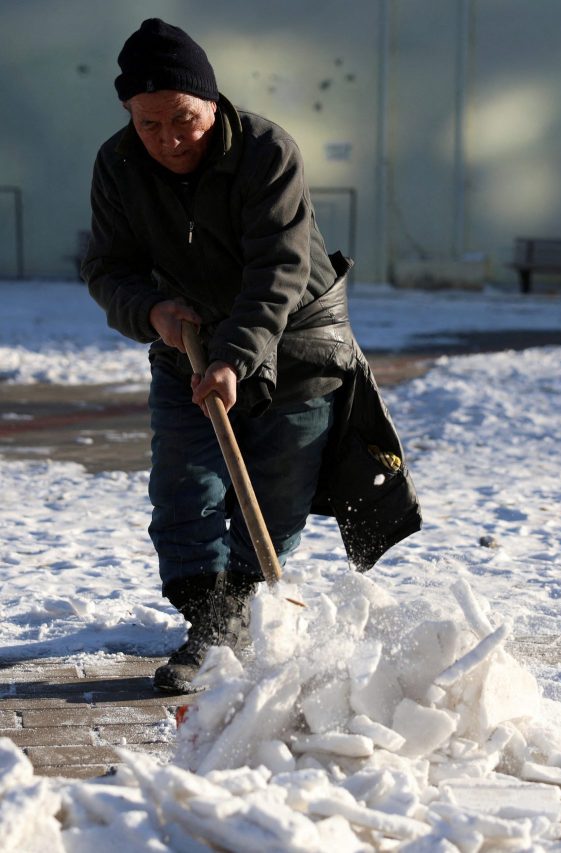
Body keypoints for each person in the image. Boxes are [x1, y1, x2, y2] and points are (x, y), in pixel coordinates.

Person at [83, 18, 421, 694]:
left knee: (273, 496)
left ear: (211, 102)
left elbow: (278, 271)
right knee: (184, 492)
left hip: (298, 342)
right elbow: (106, 267)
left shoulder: (266, 152)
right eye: (149, 125)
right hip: (188, 341)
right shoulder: (118, 165)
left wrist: (235, 357)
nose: (169, 140)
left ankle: (243, 616)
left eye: (183, 119)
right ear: (128, 115)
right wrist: (151, 312)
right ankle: (211, 628)